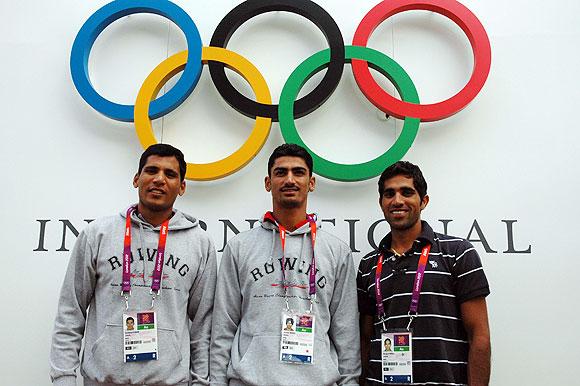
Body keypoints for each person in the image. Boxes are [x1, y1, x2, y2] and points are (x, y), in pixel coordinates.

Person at [50, 144, 217, 386]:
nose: (159, 179)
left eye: (170, 174)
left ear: (182, 187)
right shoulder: (98, 234)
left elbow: (204, 326)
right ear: (137, 179)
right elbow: (70, 313)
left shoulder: (199, 243)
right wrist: (63, 378)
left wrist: (201, 382)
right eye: (151, 171)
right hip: (102, 381)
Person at [210, 143, 360, 386]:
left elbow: (347, 334)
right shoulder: (239, 247)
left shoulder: (336, 251)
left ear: (311, 183)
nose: (290, 179)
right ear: (268, 183)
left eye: (298, 172)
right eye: (281, 173)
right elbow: (223, 328)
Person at [357, 161, 491, 386]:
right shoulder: (368, 264)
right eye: (389, 194)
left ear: (424, 201)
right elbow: (364, 339)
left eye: (407, 192)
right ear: (381, 203)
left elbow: (479, 335)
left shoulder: (457, 252)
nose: (397, 200)